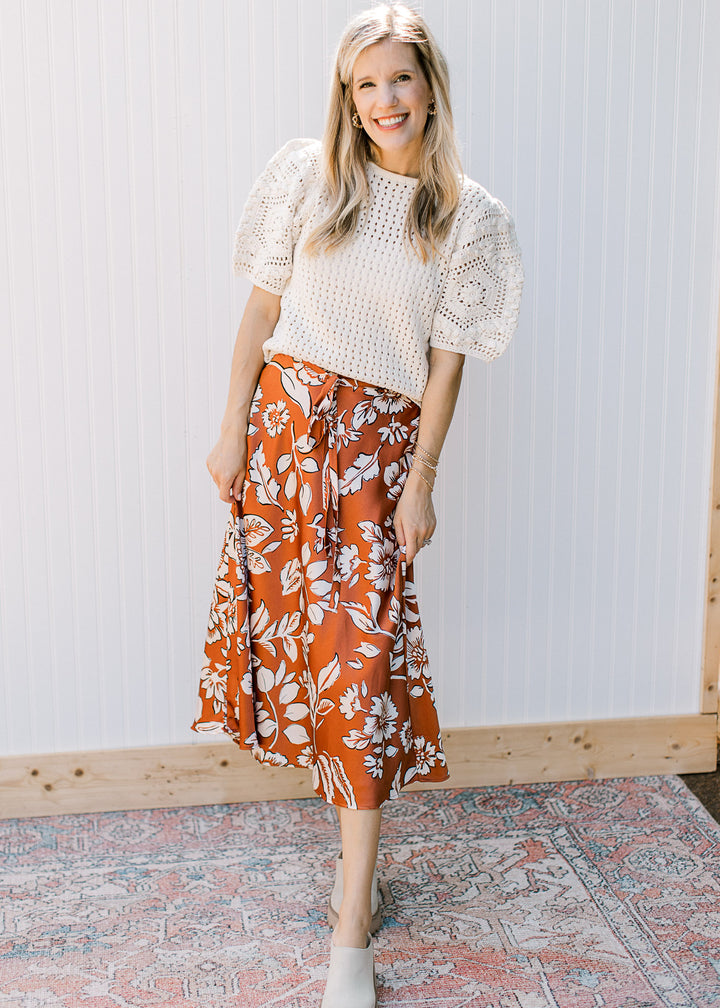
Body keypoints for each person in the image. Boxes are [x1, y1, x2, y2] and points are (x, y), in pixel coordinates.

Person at [192, 4, 523, 1005]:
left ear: (432, 87)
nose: (385, 101)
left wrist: (422, 482)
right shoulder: (310, 176)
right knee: (307, 661)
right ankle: (353, 882)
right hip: (287, 432)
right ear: (349, 93)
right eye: (366, 83)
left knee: (363, 673)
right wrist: (233, 429)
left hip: (377, 458)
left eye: (400, 80)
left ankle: (351, 933)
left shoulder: (470, 217)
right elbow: (260, 311)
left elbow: (446, 370)